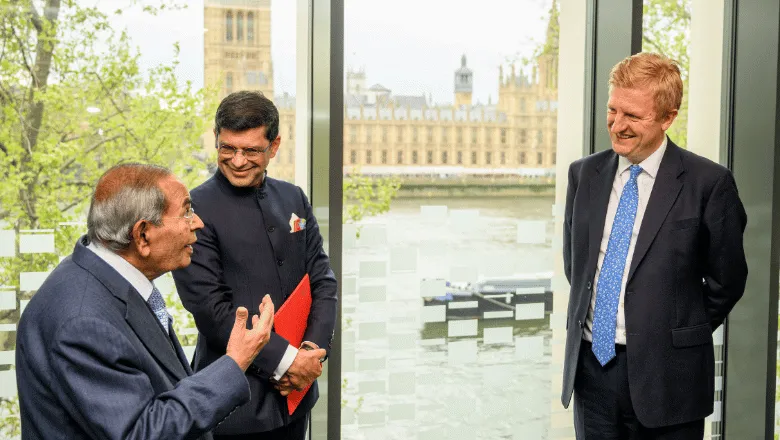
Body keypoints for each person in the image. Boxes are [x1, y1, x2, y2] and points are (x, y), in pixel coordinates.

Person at [561, 52, 748, 439]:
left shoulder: (709, 183)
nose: (617, 124)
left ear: (667, 118)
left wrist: (672, 330)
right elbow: (576, 265)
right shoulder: (584, 174)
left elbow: (727, 281)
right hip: (592, 375)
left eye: (633, 116)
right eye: (613, 110)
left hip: (670, 379)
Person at [15, 163, 276, 439]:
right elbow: (142, 433)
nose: (198, 222)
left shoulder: (106, 278)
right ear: (142, 235)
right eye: (186, 212)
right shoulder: (84, 322)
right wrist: (235, 363)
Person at [172, 90, 337, 439]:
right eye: (227, 148)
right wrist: (288, 362)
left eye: (251, 151)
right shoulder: (193, 211)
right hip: (234, 409)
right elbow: (211, 311)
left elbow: (322, 281)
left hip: (297, 398)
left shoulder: (294, 197)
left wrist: (310, 353)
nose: (237, 160)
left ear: (274, 147)